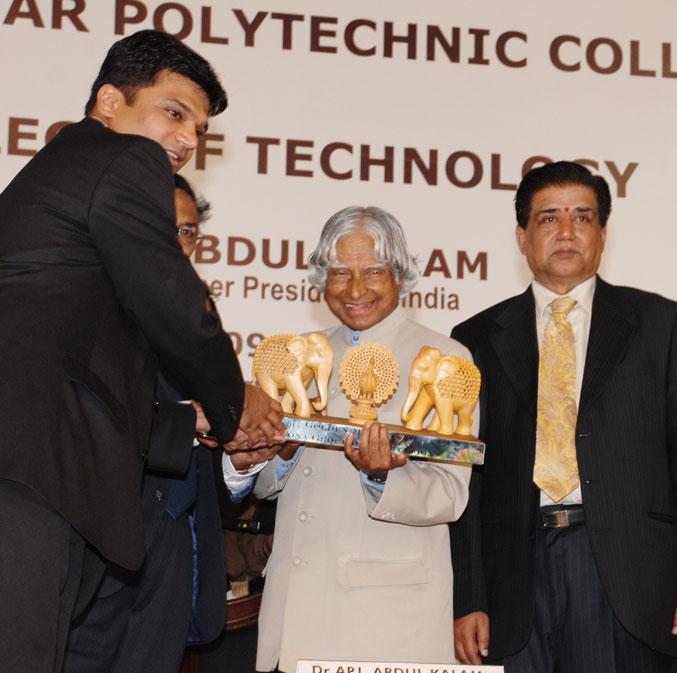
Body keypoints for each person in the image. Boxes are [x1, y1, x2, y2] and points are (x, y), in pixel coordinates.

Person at [0, 30, 283, 673]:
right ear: (110, 101)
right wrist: (236, 404)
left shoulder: (68, 175)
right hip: (29, 474)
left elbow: (89, 366)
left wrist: (196, 419)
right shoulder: (124, 158)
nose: (186, 140)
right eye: (174, 113)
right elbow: (177, 304)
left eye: (199, 130)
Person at [449, 161, 677, 673]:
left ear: (602, 234)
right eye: (549, 218)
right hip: (514, 581)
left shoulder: (660, 324)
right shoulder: (475, 339)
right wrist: (468, 595)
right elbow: (468, 480)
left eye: (582, 217)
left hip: (630, 576)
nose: (566, 232)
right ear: (522, 237)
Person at [223, 206, 474, 672]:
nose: (355, 290)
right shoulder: (297, 355)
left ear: (401, 275)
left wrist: (380, 478)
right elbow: (265, 487)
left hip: (386, 626)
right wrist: (278, 456)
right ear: (322, 278)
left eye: (373, 271)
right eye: (339, 272)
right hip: (293, 615)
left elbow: (449, 495)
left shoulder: (442, 358)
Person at [63, 175, 228, 673]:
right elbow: (77, 417)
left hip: (171, 554)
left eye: (187, 231)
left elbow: (208, 439)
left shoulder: (199, 316)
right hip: (93, 547)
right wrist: (189, 421)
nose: (176, 243)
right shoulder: (79, 302)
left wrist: (241, 450)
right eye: (161, 226)